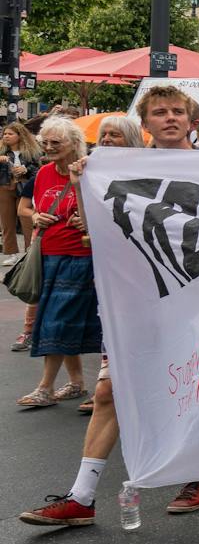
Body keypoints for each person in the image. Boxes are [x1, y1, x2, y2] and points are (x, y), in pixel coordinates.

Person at [19, 87, 199, 527]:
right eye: (159, 112)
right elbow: (97, 233)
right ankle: (81, 498)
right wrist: (82, 185)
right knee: (109, 391)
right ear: (145, 124)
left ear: (191, 120)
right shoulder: (121, 172)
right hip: (138, 300)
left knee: (193, 388)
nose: (170, 118)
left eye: (177, 112)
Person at [15, 116, 96, 410]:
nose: (48, 147)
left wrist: (86, 217)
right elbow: (26, 208)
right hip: (49, 253)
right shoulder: (44, 173)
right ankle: (76, 383)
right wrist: (36, 217)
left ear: (74, 144)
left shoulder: (91, 172)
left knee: (56, 320)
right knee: (64, 321)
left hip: (81, 256)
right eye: (45, 142)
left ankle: (45, 387)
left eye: (56, 142)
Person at [0, 121, 41, 257]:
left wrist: (25, 169)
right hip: (5, 187)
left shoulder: (31, 151)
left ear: (19, 135)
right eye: (4, 134)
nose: (6, 136)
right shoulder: (1, 151)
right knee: (7, 222)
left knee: (27, 220)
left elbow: (37, 169)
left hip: (25, 187)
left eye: (10, 134)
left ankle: (29, 253)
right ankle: (11, 254)